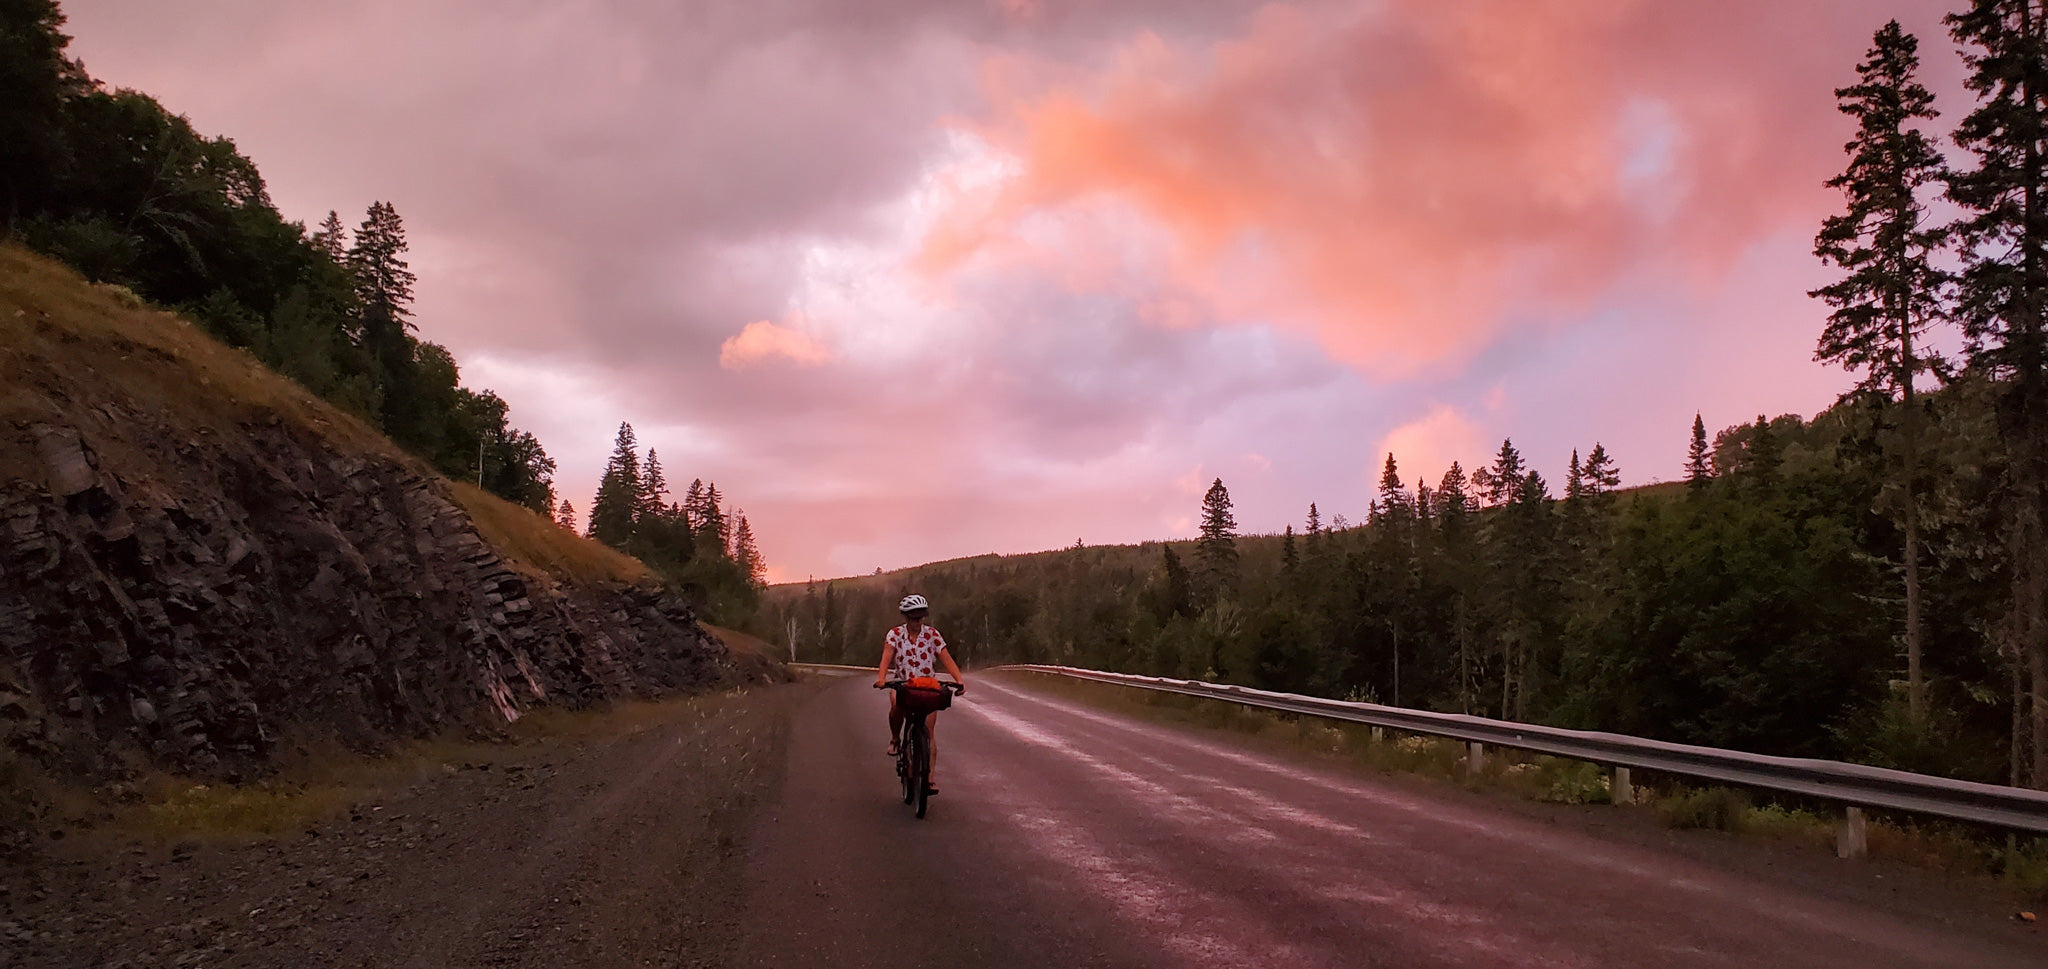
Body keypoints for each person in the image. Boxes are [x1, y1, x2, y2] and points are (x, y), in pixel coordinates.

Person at [874, 593, 967, 792]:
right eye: (914, 617)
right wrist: (882, 679)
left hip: (927, 686)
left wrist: (959, 680)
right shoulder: (894, 635)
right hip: (904, 684)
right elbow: (886, 656)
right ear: (906, 617)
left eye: (921, 617)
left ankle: (930, 779)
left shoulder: (933, 635)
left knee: (929, 733)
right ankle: (895, 738)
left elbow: (946, 658)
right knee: (896, 704)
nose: (918, 621)